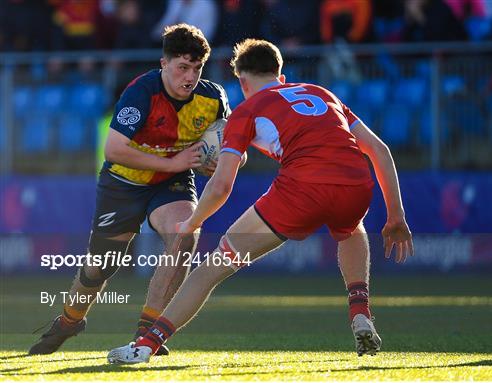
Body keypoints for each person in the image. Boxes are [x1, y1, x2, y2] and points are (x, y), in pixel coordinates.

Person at [107, 38, 413, 364]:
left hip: (302, 190)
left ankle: (146, 345)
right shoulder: (321, 93)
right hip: (355, 184)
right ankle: (360, 312)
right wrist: (395, 216)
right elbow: (379, 150)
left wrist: (192, 223)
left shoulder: (247, 110)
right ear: (280, 76)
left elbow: (221, 186)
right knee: (352, 229)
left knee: (209, 270)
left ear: (242, 81)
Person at [28, 23, 230, 356]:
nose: (189, 77)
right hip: (124, 182)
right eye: (182, 67)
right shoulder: (141, 92)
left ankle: (148, 333)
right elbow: (114, 149)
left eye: (197, 68)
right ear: (163, 64)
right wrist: (174, 162)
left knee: (185, 233)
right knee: (99, 267)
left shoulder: (213, 98)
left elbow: (231, 145)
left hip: (170, 184)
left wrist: (219, 159)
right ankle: (70, 320)